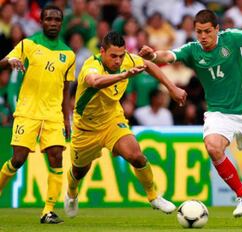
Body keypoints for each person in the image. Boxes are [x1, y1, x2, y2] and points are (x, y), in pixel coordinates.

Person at [139, 9, 242, 224]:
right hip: (219, 112)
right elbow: (168, 55)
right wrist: (153, 55)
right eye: (199, 32)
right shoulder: (192, 50)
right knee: (212, 147)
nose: (203, 37)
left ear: (217, 29)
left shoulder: (232, 38)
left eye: (207, 31)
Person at [64, 31, 187, 218]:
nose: (118, 61)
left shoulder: (127, 61)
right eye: (113, 56)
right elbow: (95, 81)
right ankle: (72, 193)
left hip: (112, 121)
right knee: (79, 170)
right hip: (86, 129)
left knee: (136, 156)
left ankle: (154, 197)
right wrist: (123, 76)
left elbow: (148, 64)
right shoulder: (92, 65)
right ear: (102, 51)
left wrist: (172, 88)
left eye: (121, 56)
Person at [0, 5, 75, 224]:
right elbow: (2, 64)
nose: (53, 23)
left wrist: (67, 118)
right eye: (49, 19)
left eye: (57, 20)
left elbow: (66, 90)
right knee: (18, 159)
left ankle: (48, 211)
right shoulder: (27, 44)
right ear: (41, 21)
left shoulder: (68, 54)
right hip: (28, 112)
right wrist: (8, 61)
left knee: (56, 158)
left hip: (53, 115)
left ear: (61, 23)